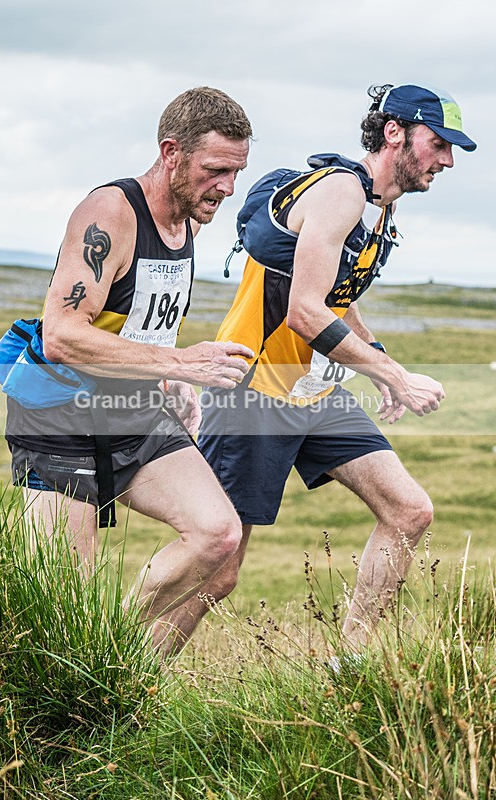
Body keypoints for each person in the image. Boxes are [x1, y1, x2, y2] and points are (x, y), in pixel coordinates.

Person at [156, 83, 477, 655]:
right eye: (439, 143)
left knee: (408, 511)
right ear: (395, 132)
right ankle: (125, 686)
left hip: (313, 394)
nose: (447, 159)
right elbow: (305, 313)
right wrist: (397, 377)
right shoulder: (340, 192)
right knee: (219, 570)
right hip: (253, 389)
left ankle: (347, 668)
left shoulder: (381, 207)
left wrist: (381, 363)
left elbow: (336, 295)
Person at [4, 86, 255, 640]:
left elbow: (136, 318)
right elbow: (62, 337)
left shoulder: (187, 220)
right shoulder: (109, 213)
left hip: (133, 409)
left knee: (218, 538)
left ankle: (113, 656)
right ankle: (77, 667)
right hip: (60, 419)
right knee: (58, 610)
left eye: (236, 171)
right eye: (215, 169)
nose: (228, 188)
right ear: (171, 153)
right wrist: (182, 362)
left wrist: (168, 376)